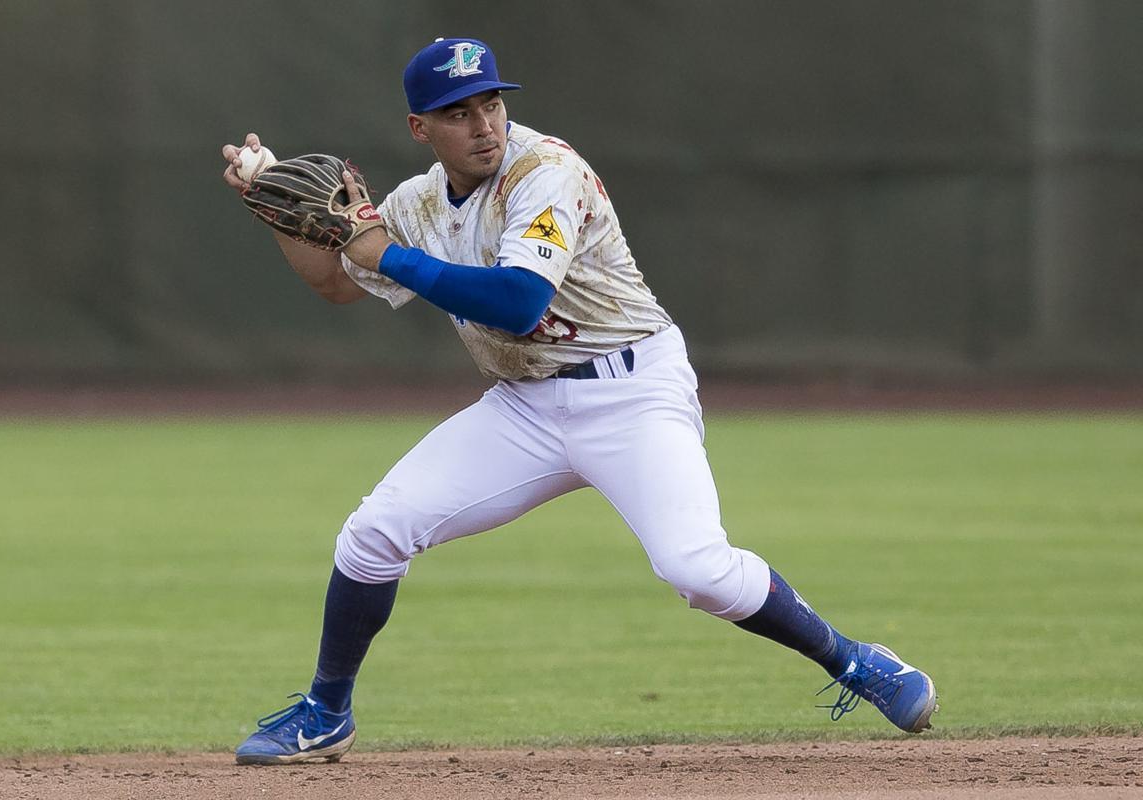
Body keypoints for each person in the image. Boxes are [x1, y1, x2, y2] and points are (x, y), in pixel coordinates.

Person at [220, 37, 937, 766]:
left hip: (633, 390)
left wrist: (385, 253)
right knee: (374, 532)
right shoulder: (418, 204)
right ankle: (326, 713)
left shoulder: (546, 171)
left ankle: (853, 660)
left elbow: (519, 301)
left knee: (696, 570)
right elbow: (336, 281)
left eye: (491, 104)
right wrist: (272, 205)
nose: (483, 125)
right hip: (525, 405)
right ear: (420, 128)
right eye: (459, 113)